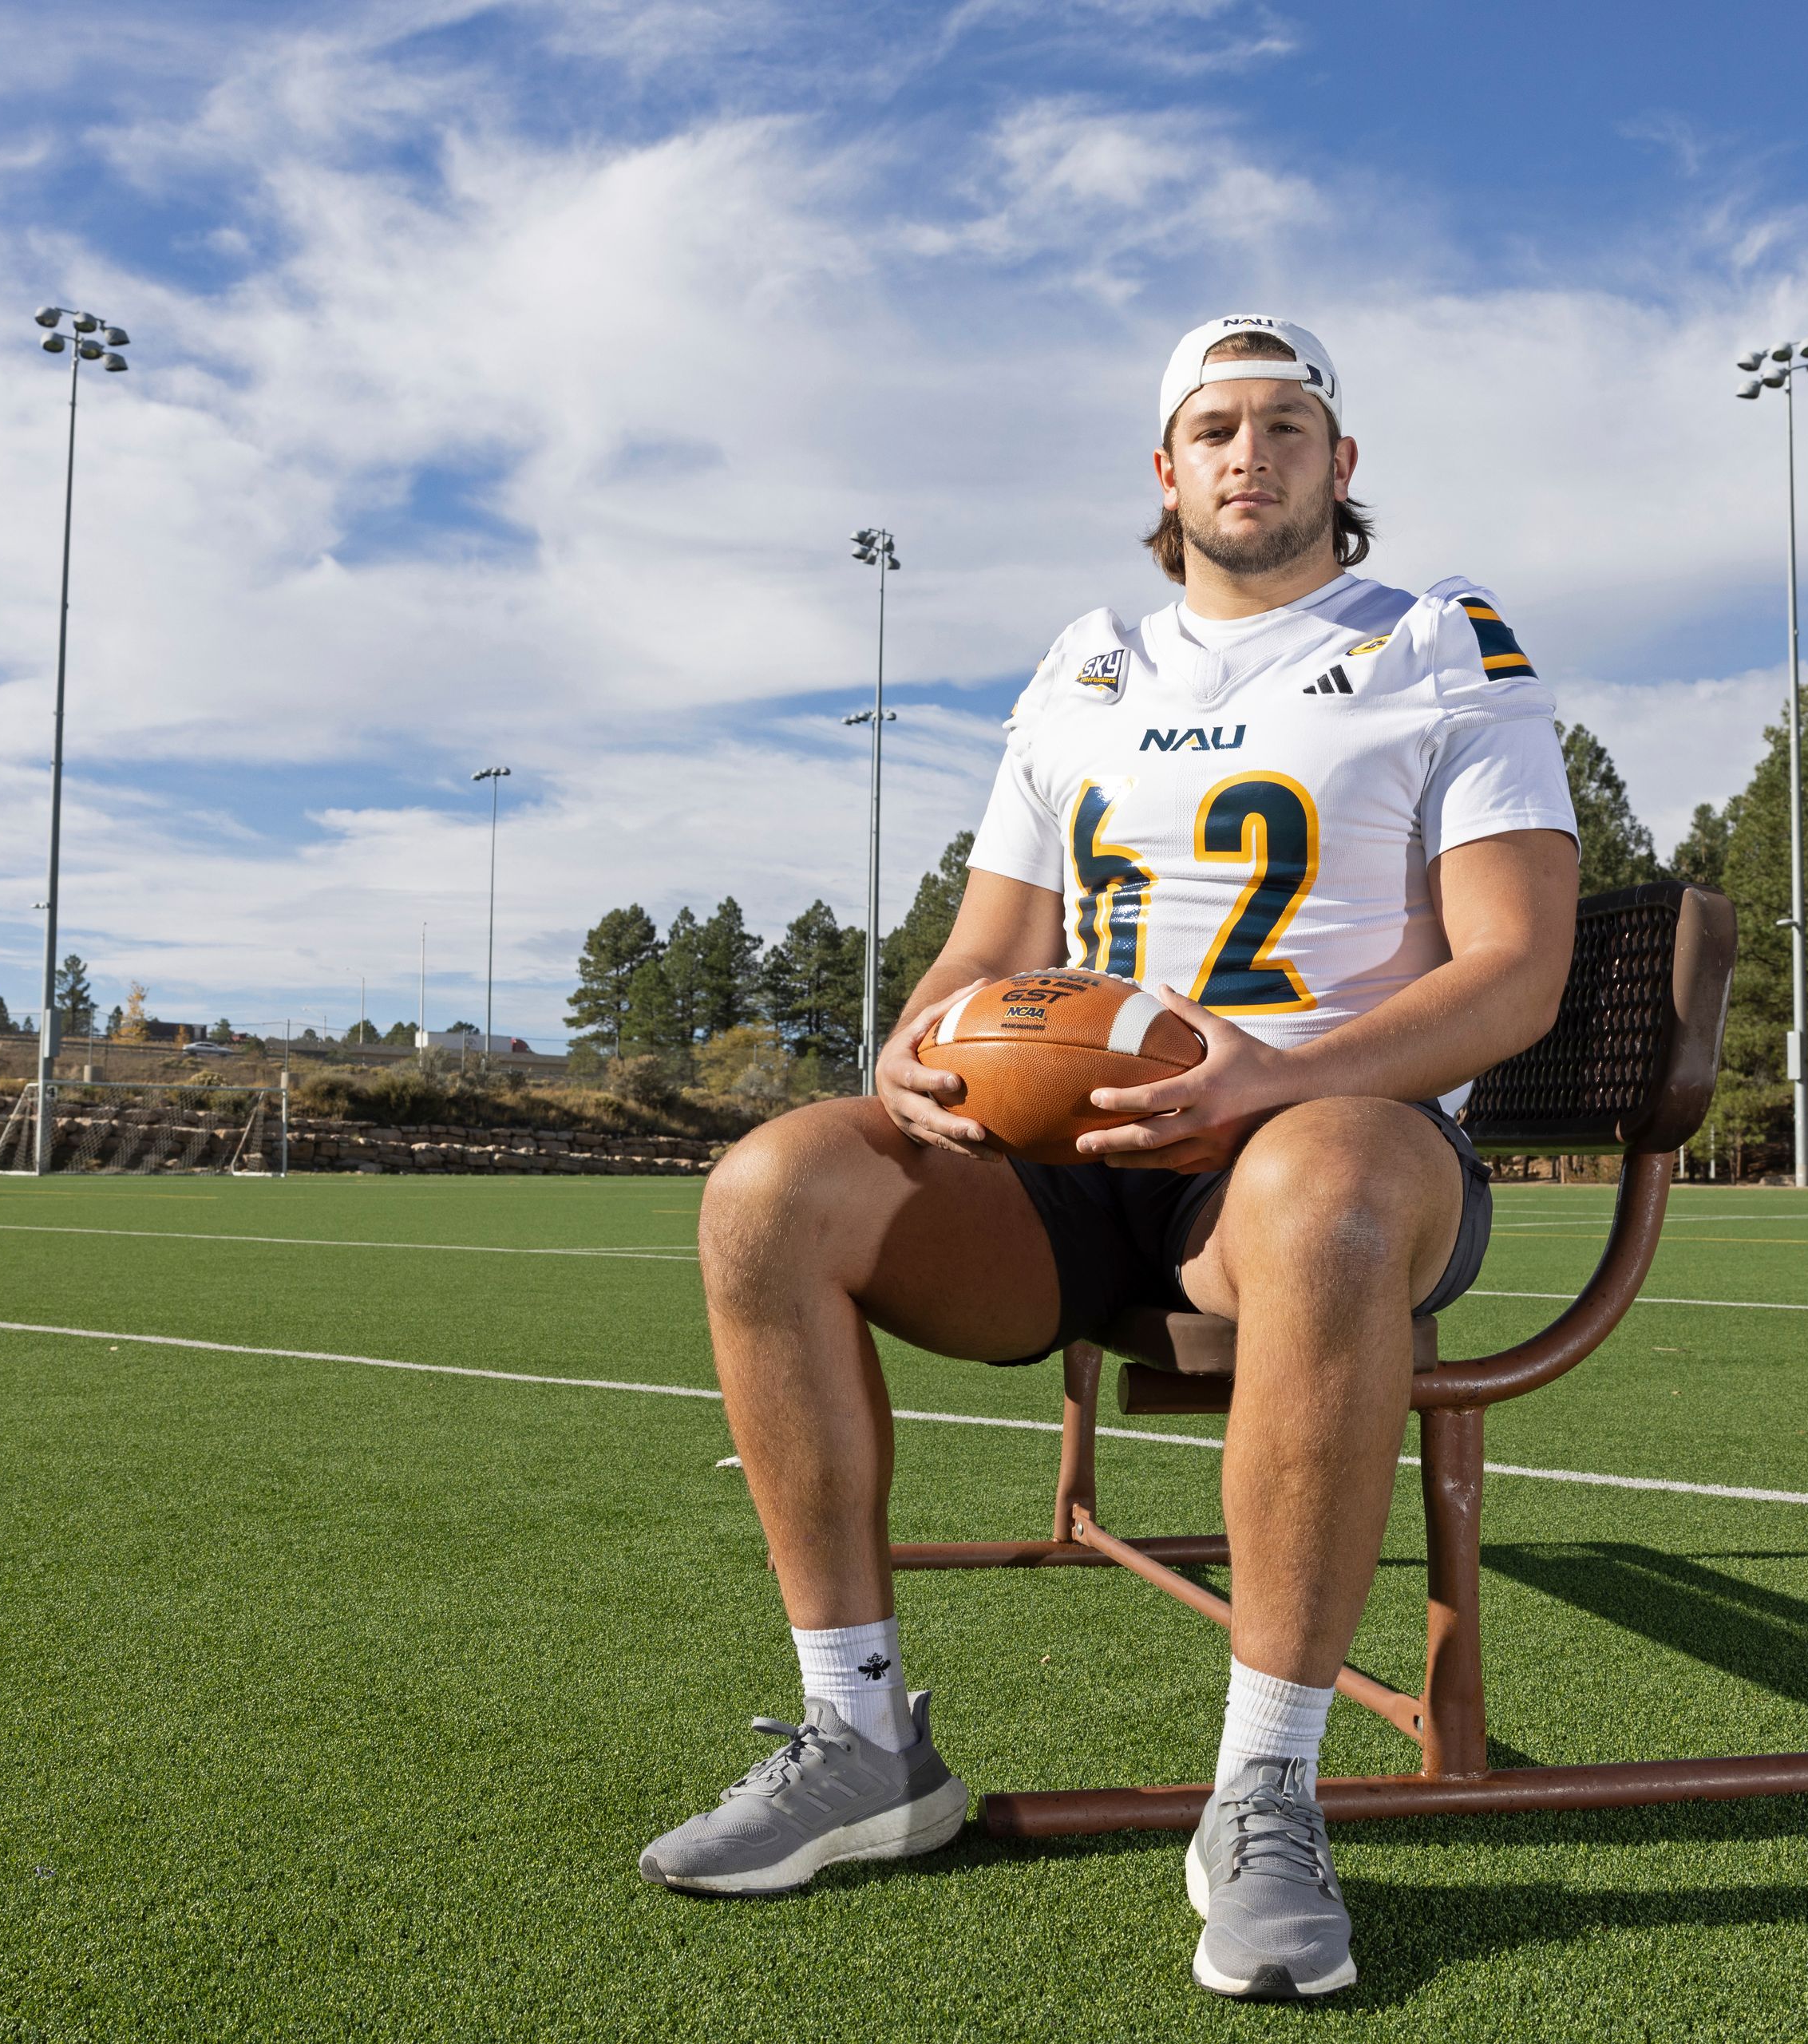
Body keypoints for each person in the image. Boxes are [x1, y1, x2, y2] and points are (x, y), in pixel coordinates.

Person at [640, 314, 1579, 2002]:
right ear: (1166, 470)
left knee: (1337, 1194)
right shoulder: (1085, 664)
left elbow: (1513, 971)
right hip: (1070, 1163)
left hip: (1319, 1135)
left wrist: (1274, 1076)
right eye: (1215, 426)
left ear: (1340, 466)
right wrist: (911, 1053)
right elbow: (976, 952)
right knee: (772, 1188)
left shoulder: (1443, 640)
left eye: (1288, 426)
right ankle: (864, 1746)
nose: (1251, 453)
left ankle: (1268, 1790)